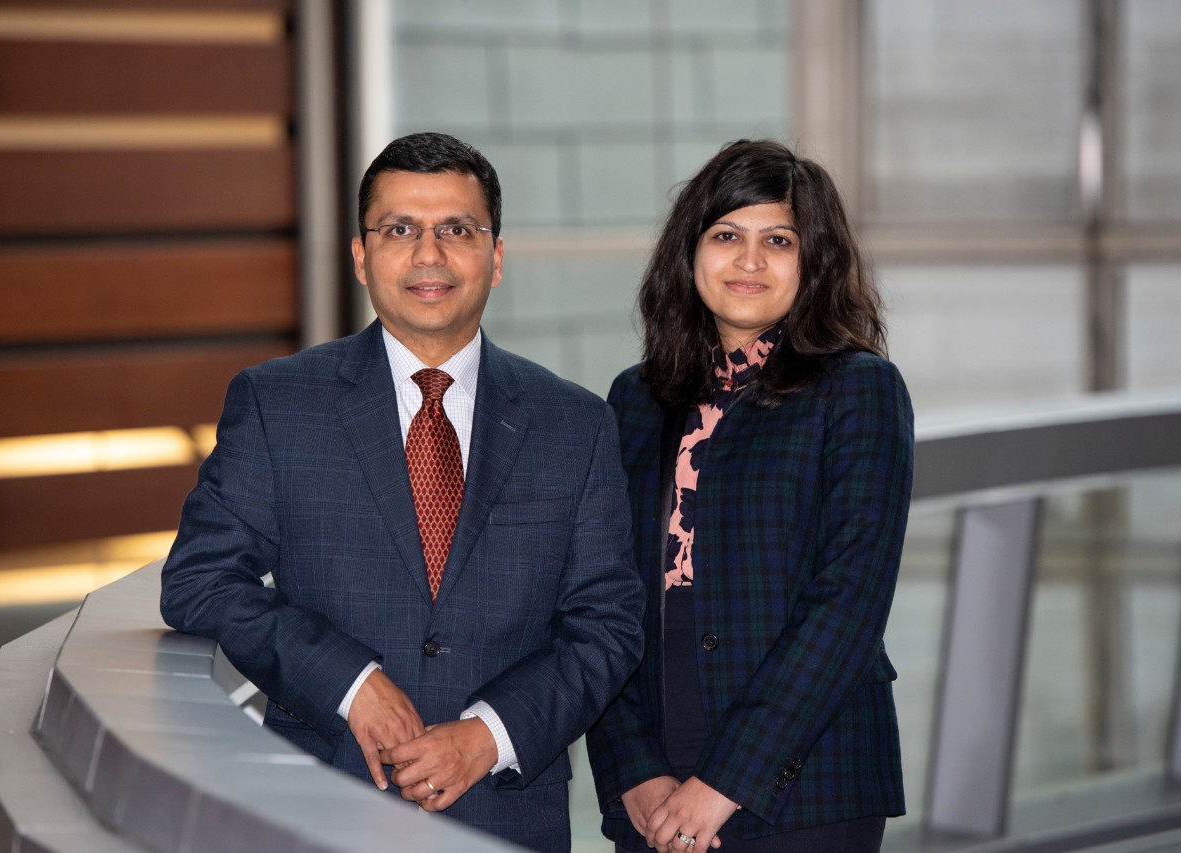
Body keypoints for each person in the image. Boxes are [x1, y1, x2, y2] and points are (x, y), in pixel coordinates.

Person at [160, 131, 644, 852]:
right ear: (361, 256)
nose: (429, 254)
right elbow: (200, 580)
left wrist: (490, 734)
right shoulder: (277, 402)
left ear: (496, 257)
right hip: (320, 807)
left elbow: (609, 626)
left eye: (457, 229)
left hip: (505, 814)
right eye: (399, 229)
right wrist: (350, 681)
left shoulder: (575, 423)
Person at [585, 139, 914, 853]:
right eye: (727, 235)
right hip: (654, 774)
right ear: (690, 251)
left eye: (779, 240)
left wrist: (727, 779)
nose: (749, 261)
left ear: (815, 260)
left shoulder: (859, 390)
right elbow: (598, 595)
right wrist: (630, 769)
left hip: (805, 775)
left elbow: (848, 601)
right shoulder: (633, 399)